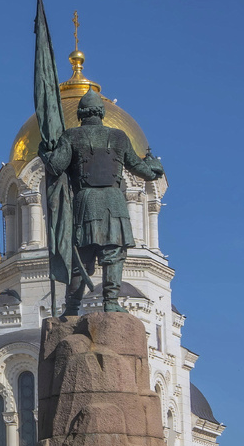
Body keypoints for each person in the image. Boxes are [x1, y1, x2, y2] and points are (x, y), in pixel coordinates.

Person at [42, 90, 165, 314]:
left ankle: (72, 308)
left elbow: (55, 166)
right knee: (113, 254)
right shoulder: (119, 137)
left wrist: (45, 151)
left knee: (80, 258)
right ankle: (111, 301)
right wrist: (155, 168)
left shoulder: (71, 136)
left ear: (80, 113)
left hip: (85, 202)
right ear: (102, 113)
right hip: (114, 203)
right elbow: (142, 170)